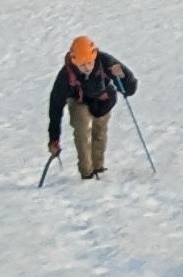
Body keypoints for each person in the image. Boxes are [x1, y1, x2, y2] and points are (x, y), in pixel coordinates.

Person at [48, 34, 136, 179]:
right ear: (74, 60)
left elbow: (130, 88)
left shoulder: (106, 62)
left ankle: (98, 167)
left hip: (103, 99)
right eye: (82, 64)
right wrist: (54, 139)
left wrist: (123, 77)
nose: (87, 67)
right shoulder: (65, 76)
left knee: (100, 132)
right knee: (81, 131)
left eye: (89, 62)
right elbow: (55, 108)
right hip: (79, 101)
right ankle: (86, 172)